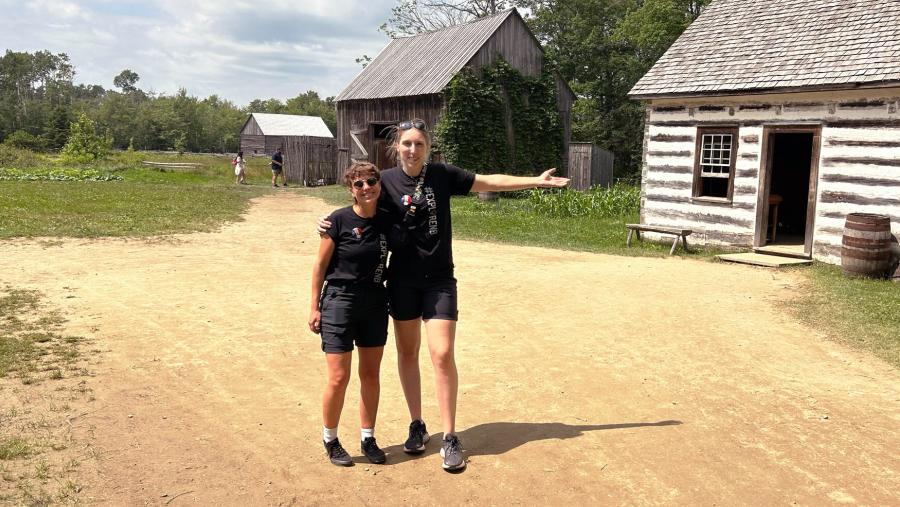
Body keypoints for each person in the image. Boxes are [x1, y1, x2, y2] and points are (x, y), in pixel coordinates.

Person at [318, 119, 569, 471]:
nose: (412, 150)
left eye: (418, 144)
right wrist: (328, 222)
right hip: (402, 281)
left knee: (442, 353)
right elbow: (362, 207)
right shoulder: (385, 181)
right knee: (408, 353)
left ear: (428, 147)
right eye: (406, 144)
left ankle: (450, 436)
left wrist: (536, 181)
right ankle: (417, 426)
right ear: (397, 148)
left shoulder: (442, 175)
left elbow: (489, 181)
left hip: (439, 280)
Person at [309, 162, 391, 467]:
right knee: (338, 377)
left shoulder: (386, 220)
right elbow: (319, 266)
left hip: (374, 302)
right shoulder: (337, 221)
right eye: (359, 184)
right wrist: (314, 306)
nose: (366, 187)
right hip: (339, 301)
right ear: (350, 190)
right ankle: (330, 439)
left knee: (370, 374)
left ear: (379, 185)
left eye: (371, 181)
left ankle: (368, 437)